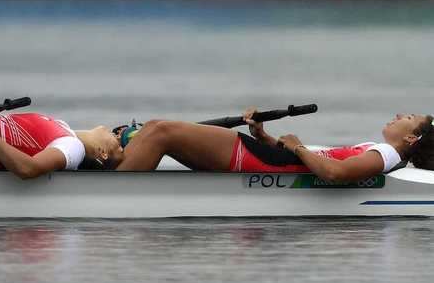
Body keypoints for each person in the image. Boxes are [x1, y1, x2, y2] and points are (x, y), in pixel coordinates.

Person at [115, 109, 434, 182]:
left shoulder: (388, 154)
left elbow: (334, 173)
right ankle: (112, 169)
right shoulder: (376, 147)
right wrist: (266, 138)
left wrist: (296, 147)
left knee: (161, 131)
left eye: (407, 117)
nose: (398, 115)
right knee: (157, 128)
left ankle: (111, 187)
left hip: (260, 164)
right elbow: (322, 158)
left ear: (411, 139)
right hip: (265, 154)